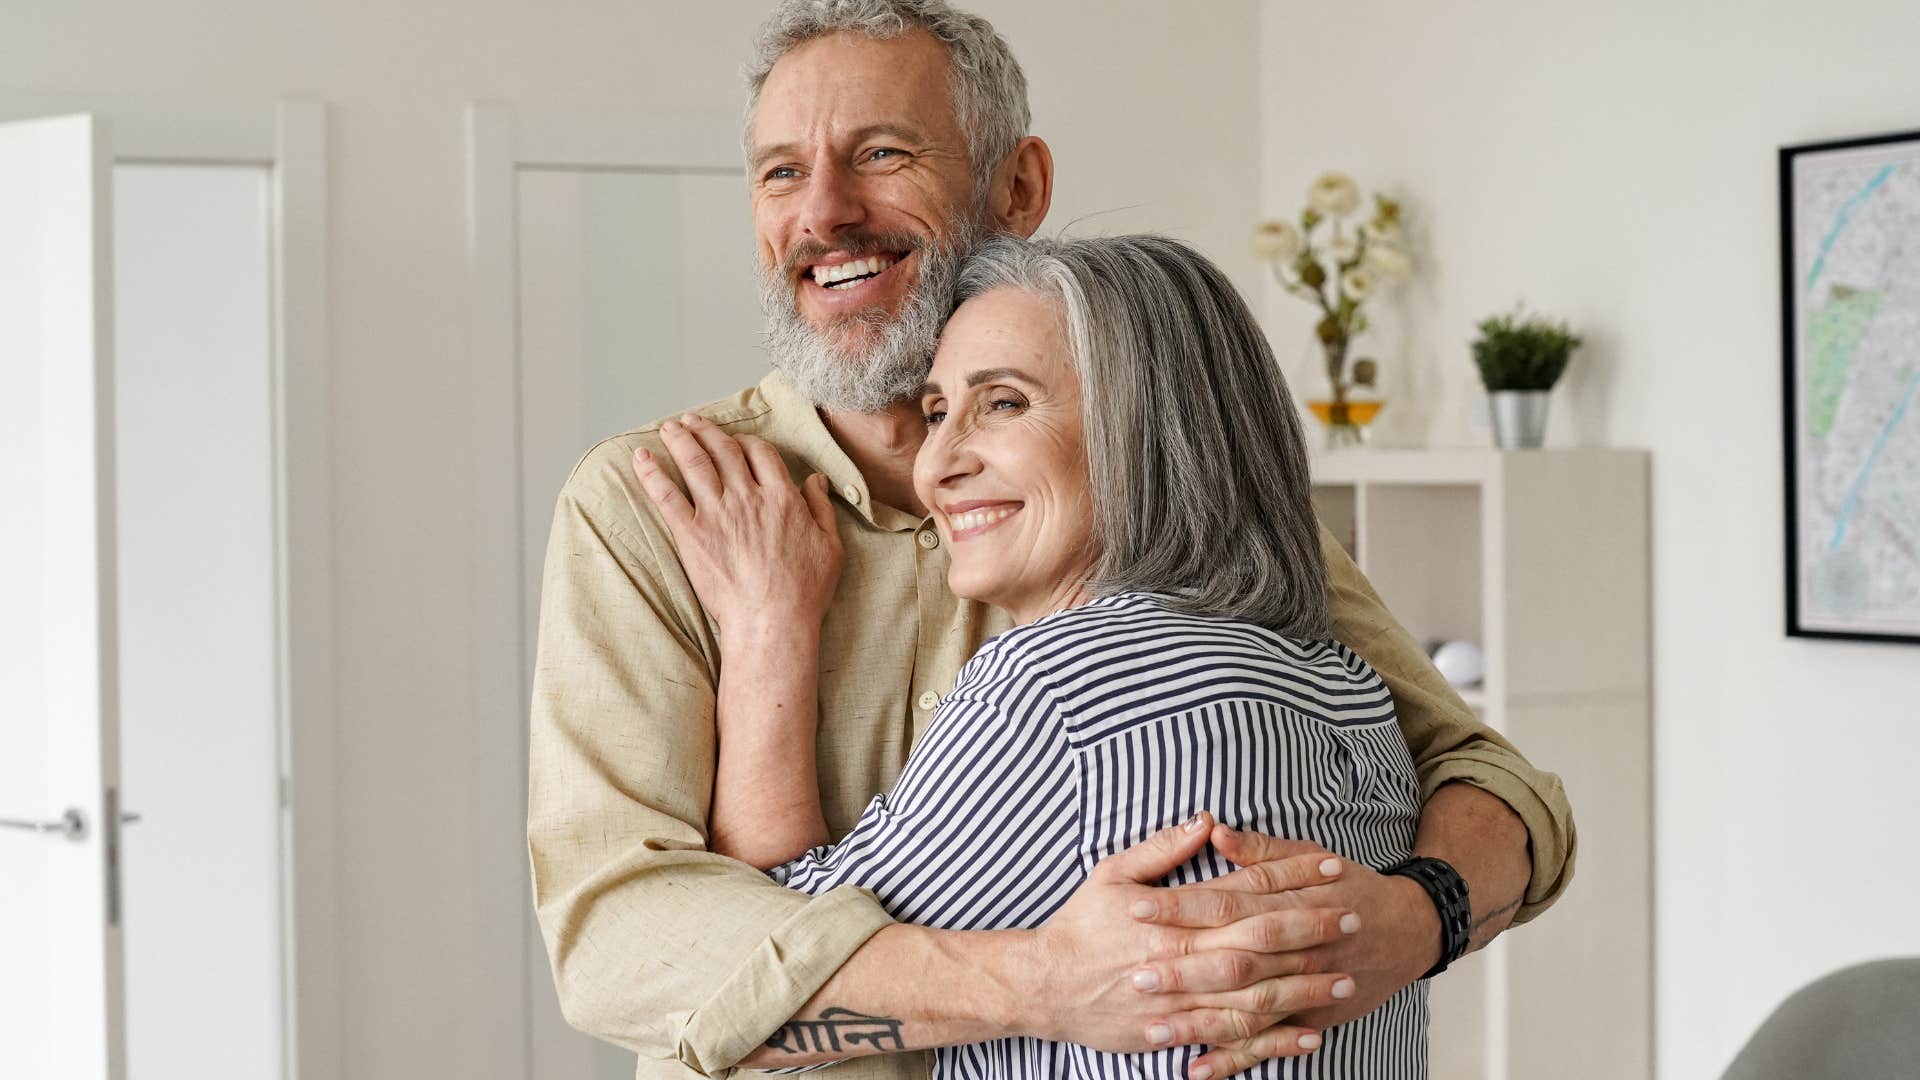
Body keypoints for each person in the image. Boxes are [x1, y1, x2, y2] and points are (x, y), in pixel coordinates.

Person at [526, 2, 1574, 1077]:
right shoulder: (652, 505)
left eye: (881, 154)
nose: (824, 213)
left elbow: (1489, 780)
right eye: (780, 172)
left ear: (1018, 187)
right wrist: (1044, 983)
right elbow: (618, 943)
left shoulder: (1173, 500)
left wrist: (1415, 920)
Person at [636, 232, 1431, 1080]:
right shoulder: (1351, 688)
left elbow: (767, 987)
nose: (939, 463)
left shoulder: (1060, 688)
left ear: (1149, 432)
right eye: (937, 411)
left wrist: (769, 624)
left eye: (1004, 403)